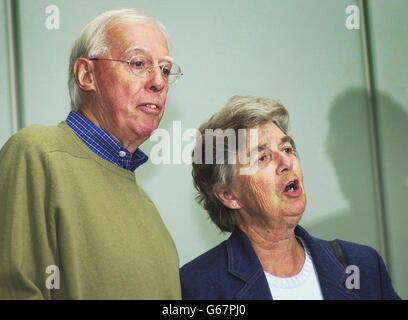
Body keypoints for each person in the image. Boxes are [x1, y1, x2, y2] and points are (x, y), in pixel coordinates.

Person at [0, 9, 183, 299]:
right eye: (138, 63)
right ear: (87, 74)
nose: (158, 82)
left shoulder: (147, 207)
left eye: (164, 69)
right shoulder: (37, 153)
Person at [180, 95, 400, 300]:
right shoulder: (197, 287)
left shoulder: (362, 265)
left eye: (286, 148)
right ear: (229, 195)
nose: (286, 162)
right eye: (263, 157)